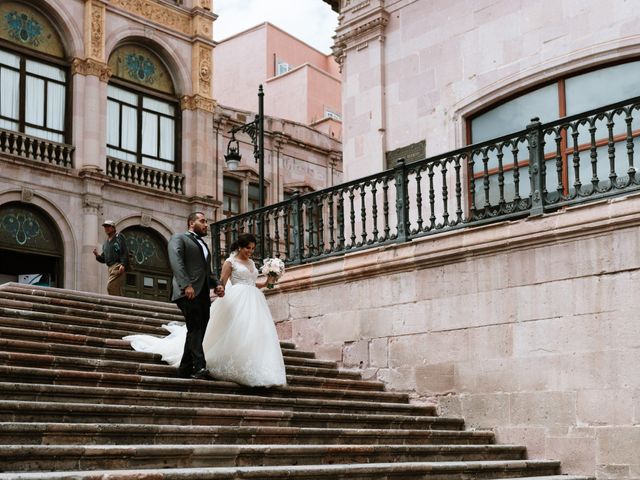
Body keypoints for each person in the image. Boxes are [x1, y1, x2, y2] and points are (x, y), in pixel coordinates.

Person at [125, 233, 286, 387]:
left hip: (255, 300)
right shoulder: (230, 262)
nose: (250, 252)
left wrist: (267, 282)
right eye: (247, 248)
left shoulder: (251, 263)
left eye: (252, 248)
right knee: (236, 331)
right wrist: (219, 289)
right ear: (239, 247)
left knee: (255, 334)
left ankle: (256, 367)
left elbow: (252, 282)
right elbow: (221, 282)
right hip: (237, 298)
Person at [167, 212, 224, 380]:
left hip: (203, 293)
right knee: (196, 328)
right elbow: (176, 261)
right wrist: (186, 285)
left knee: (197, 329)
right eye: (203, 221)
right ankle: (199, 366)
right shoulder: (178, 238)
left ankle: (184, 368)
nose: (206, 224)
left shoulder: (204, 245)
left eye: (206, 222)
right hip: (187, 292)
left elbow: (207, 271)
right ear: (191, 223)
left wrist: (218, 284)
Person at [93, 220, 129, 296]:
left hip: (117, 266)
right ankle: (119, 304)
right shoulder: (105, 243)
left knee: (110, 286)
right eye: (105, 227)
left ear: (113, 228)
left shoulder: (118, 237)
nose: (106, 228)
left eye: (108, 226)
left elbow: (124, 250)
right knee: (115, 288)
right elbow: (104, 259)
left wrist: (123, 264)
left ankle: (116, 305)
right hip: (110, 268)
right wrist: (97, 255)